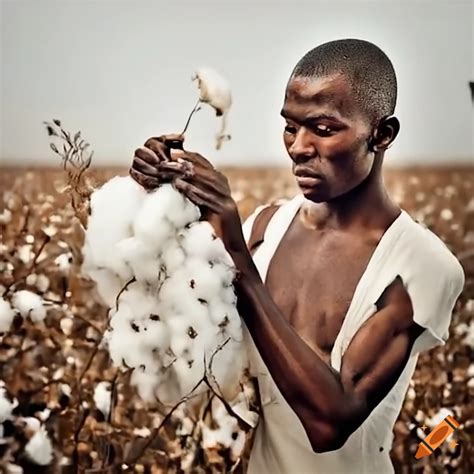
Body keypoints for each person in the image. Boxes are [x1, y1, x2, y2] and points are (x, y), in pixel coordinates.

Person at [129, 39, 465, 473]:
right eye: (291, 126)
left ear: (382, 135)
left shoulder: (421, 265)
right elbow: (187, 339)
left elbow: (330, 423)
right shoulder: (266, 229)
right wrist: (160, 197)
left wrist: (234, 250)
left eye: (324, 130)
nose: (299, 147)